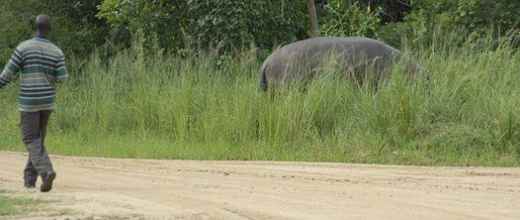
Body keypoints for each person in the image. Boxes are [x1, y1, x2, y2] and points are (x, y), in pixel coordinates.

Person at [0, 15, 68, 192]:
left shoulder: (23, 47)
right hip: (47, 101)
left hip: (29, 101)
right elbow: (62, 77)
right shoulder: (56, 51)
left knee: (30, 138)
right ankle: (29, 180)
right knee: (37, 140)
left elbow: (8, 73)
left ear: (35, 27)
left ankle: (46, 172)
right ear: (49, 29)